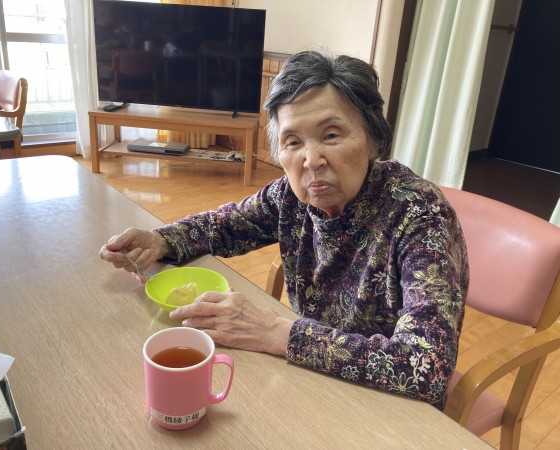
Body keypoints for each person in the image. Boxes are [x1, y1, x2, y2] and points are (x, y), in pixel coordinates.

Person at [99, 49, 469, 410]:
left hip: (388, 407)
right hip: (309, 377)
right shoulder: (291, 197)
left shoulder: (420, 216)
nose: (311, 160)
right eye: (293, 142)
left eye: (331, 135)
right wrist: (161, 239)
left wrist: (275, 332)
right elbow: (225, 226)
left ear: (374, 139)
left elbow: (426, 368)